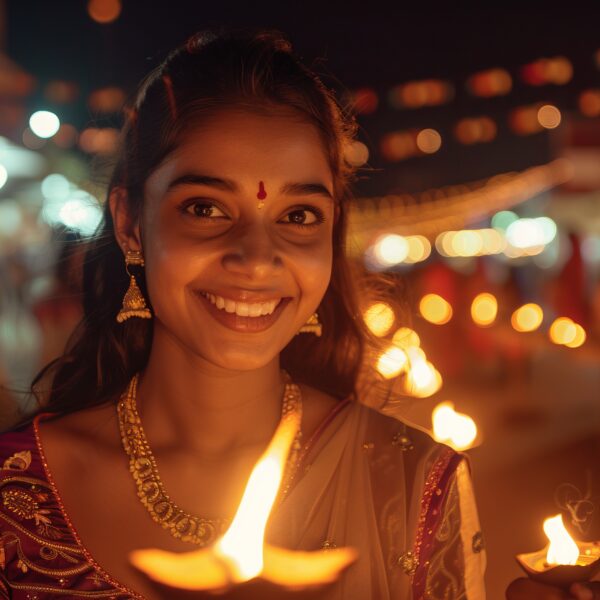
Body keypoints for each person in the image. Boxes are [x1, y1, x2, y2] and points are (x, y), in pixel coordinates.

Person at [0, 29, 486, 599]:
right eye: (206, 208)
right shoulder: (18, 495)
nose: (257, 259)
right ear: (131, 223)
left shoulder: (414, 486)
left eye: (299, 215)